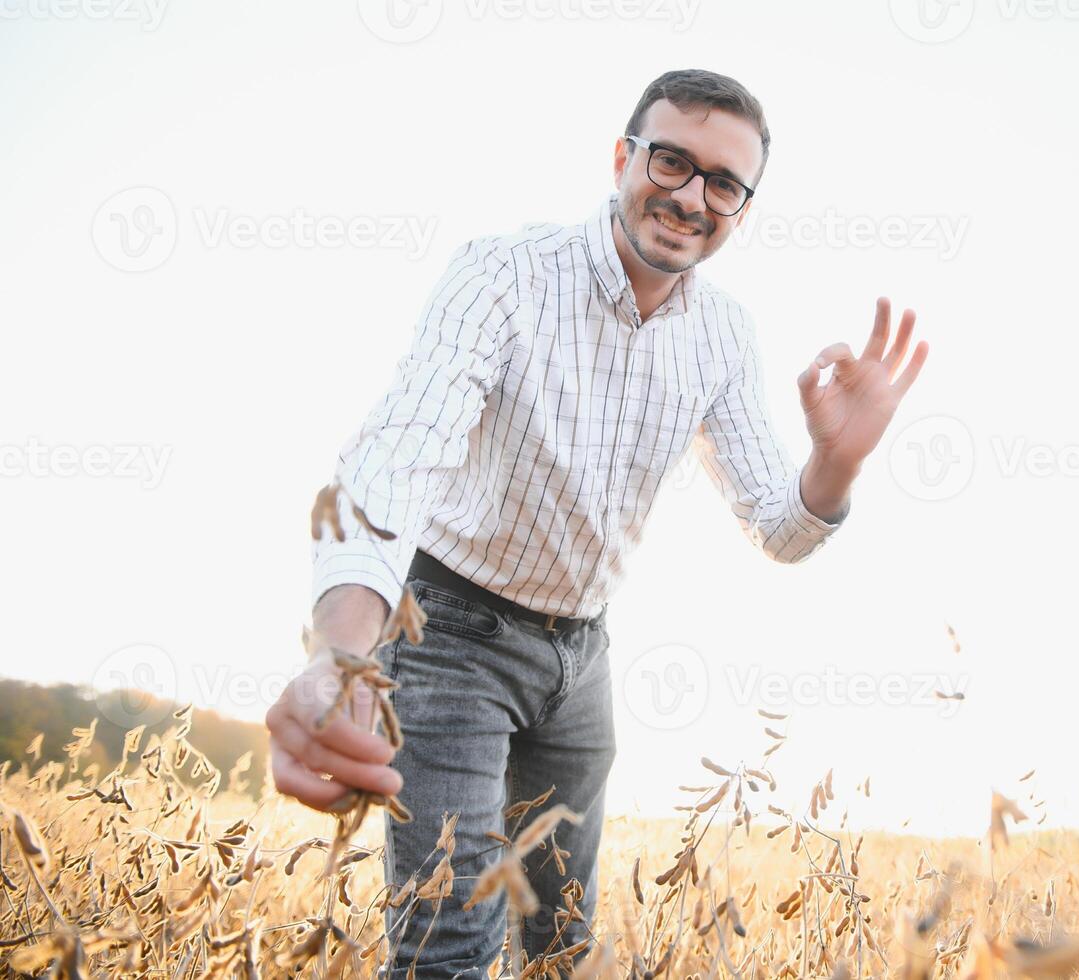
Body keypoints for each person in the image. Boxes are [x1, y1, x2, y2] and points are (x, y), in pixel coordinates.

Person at [266, 67, 929, 978]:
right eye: (671, 161)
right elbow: (396, 459)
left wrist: (837, 462)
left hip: (582, 664)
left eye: (723, 182)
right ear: (624, 159)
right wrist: (340, 656)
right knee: (448, 948)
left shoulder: (724, 336)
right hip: (448, 637)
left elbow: (779, 528)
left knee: (557, 943)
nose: (691, 196)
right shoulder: (506, 273)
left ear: (741, 207)